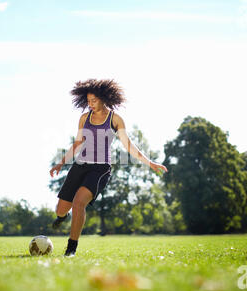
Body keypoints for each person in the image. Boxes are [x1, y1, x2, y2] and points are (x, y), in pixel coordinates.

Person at [49, 79, 167, 256]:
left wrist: (150, 162)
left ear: (103, 98)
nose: (90, 104)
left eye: (94, 100)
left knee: (79, 203)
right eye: (88, 101)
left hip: (100, 169)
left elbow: (129, 146)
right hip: (79, 165)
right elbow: (78, 143)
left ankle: (71, 249)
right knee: (61, 209)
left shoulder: (115, 119)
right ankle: (62, 217)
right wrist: (61, 162)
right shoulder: (84, 118)